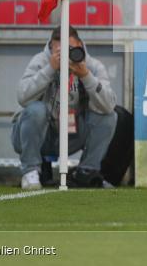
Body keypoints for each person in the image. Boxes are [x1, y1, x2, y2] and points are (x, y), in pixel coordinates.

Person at [12, 26, 117, 190]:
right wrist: (50, 69)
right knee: (35, 110)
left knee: (109, 116)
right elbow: (22, 97)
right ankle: (30, 171)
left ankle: (86, 172)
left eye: (70, 49)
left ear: (80, 46)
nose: (66, 56)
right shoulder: (41, 61)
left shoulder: (93, 66)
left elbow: (108, 105)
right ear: (51, 48)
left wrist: (86, 76)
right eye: (59, 51)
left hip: (72, 134)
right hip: (40, 135)